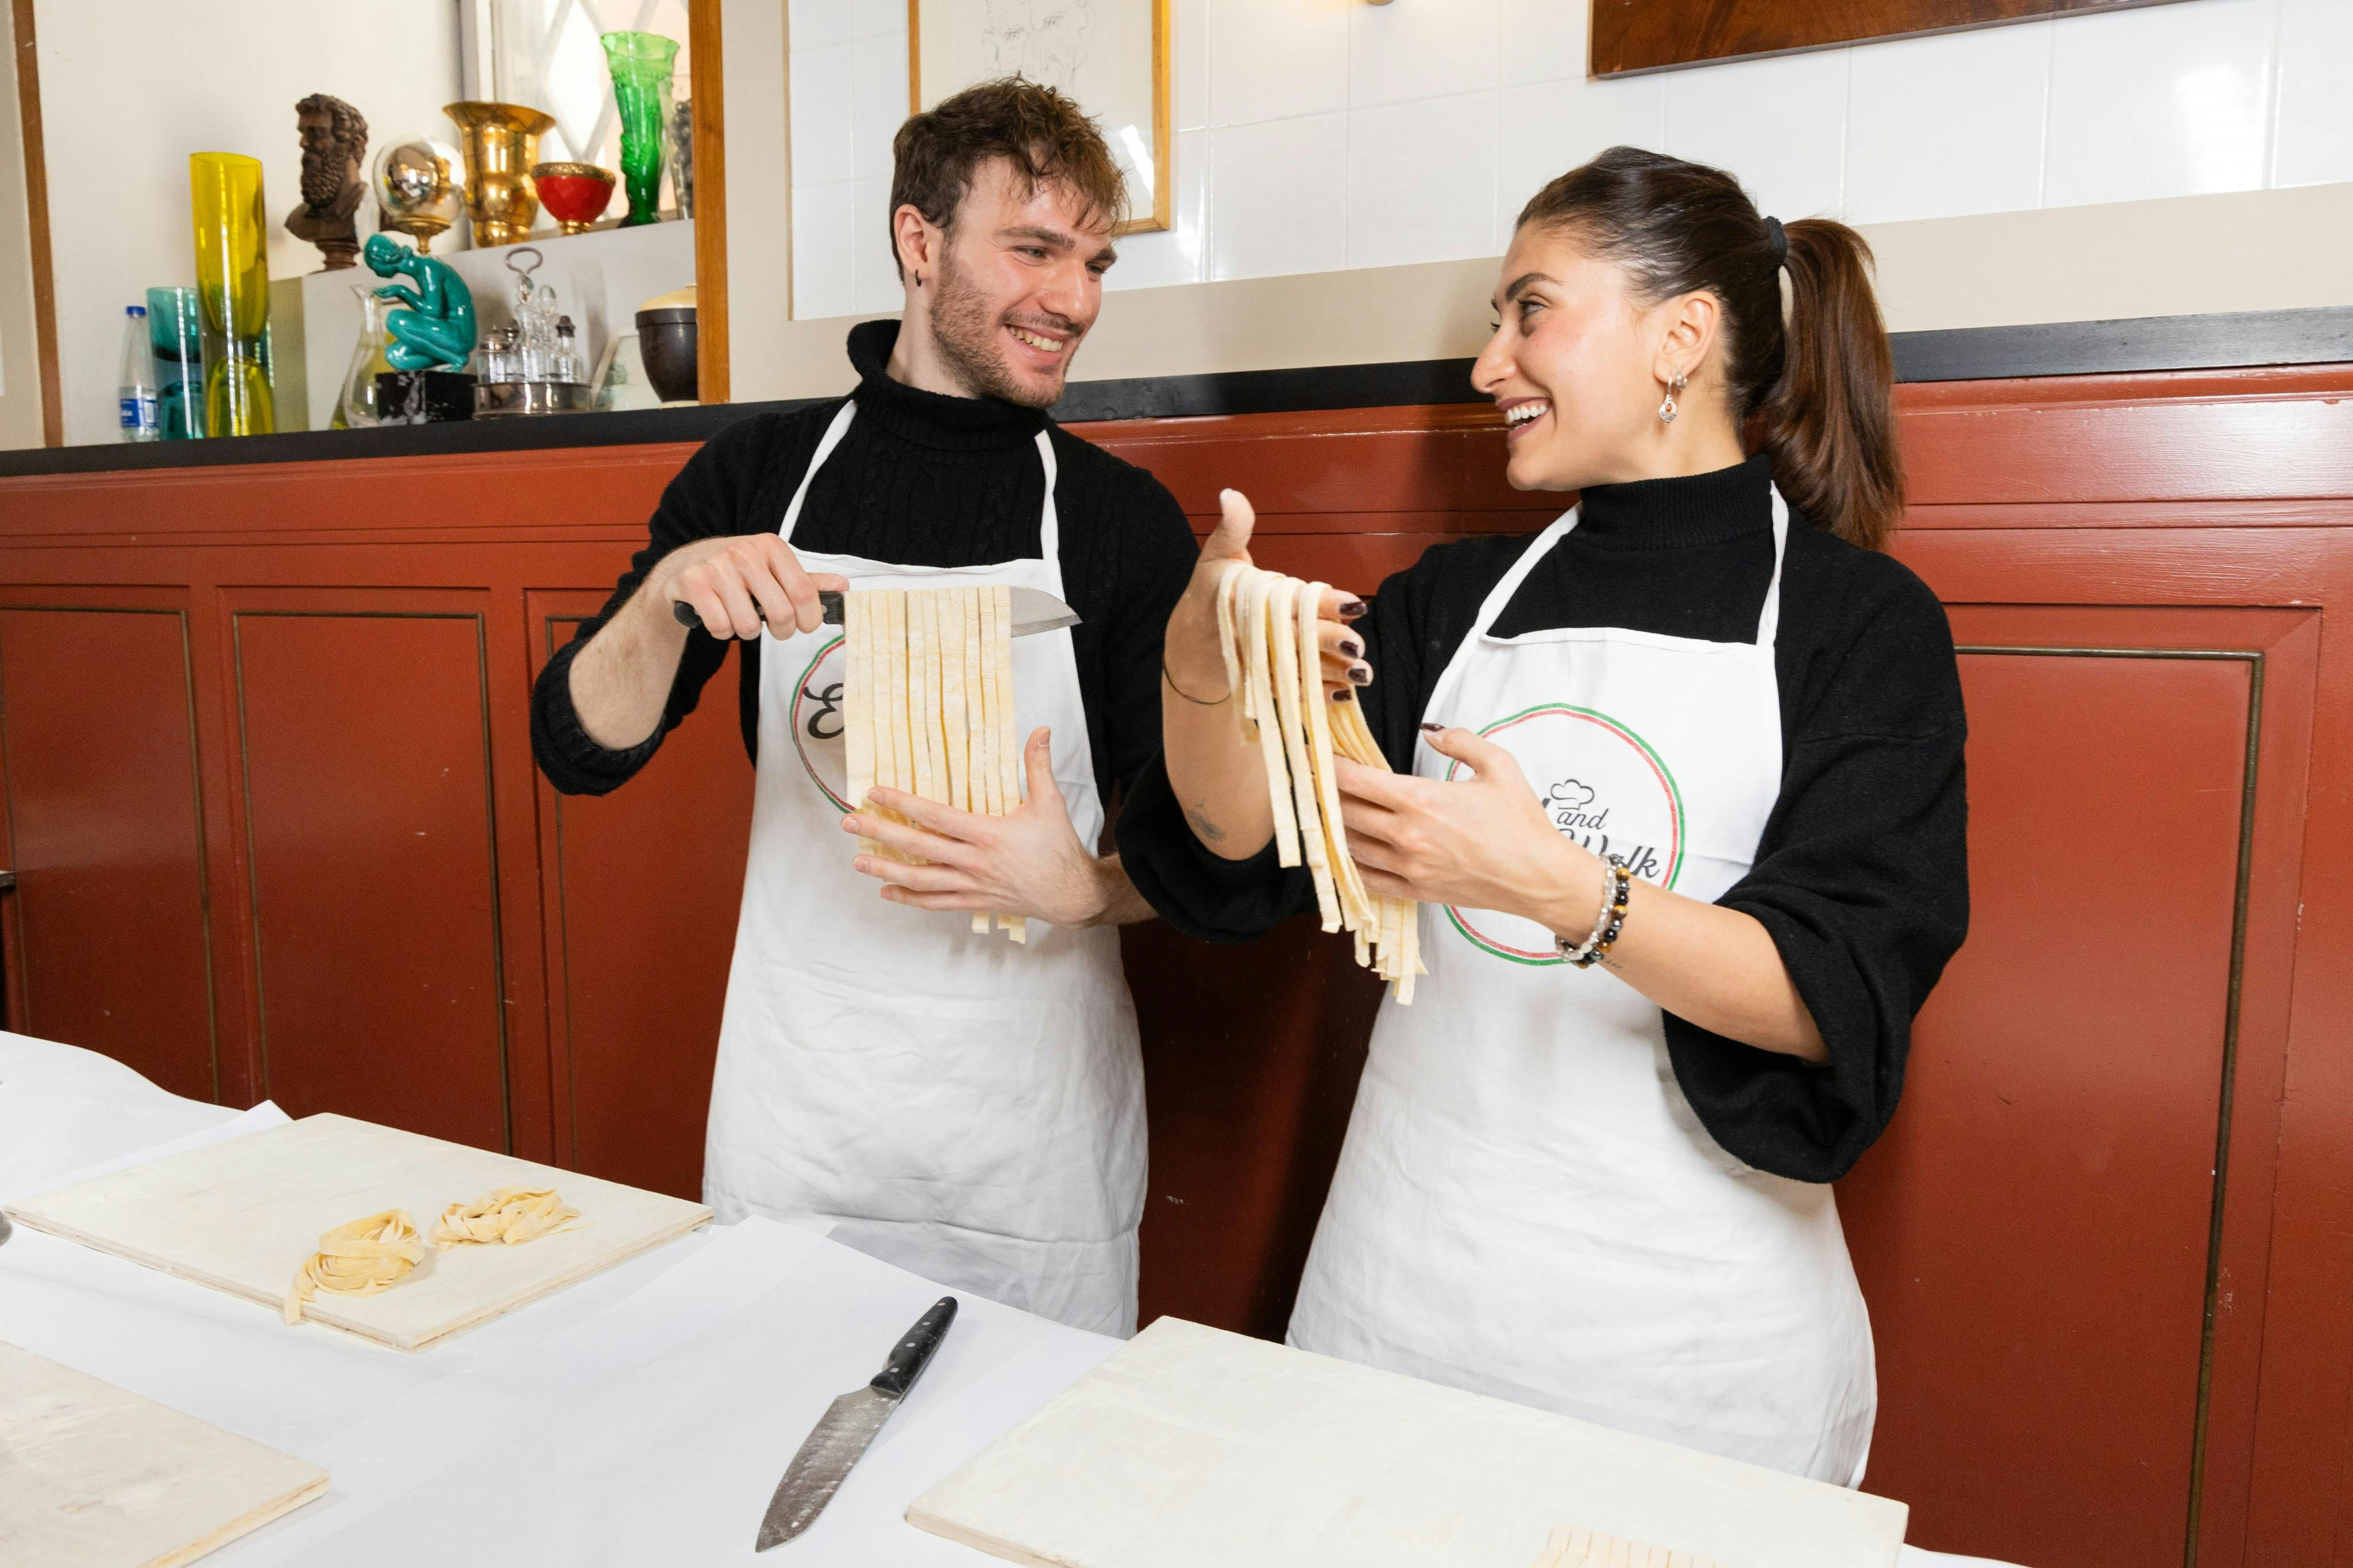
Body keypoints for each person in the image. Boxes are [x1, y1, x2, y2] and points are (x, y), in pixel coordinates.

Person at [1117, 146, 1969, 1482]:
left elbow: (1833, 994)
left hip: (1688, 1360)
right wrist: (1198, 659)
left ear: (1680, 336)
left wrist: (1566, 891)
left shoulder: (1857, 628)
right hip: (1397, 1305)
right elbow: (1237, 842)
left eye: (1528, 311)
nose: (1484, 366)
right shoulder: (1449, 606)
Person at [529, 80, 1197, 1337]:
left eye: (1094, 262)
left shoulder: (1116, 523)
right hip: (803, 1122)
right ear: (917, 241)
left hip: (1031, 1141)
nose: (1076, 299)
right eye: (1034, 249)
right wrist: (671, 595)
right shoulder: (759, 478)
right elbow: (578, 751)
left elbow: (1207, 859)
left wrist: (1086, 891)